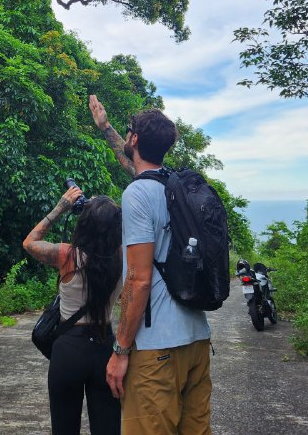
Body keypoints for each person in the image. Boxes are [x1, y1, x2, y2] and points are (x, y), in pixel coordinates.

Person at [89, 95, 212, 435]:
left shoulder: (138, 195)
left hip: (157, 349)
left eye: (129, 133)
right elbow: (135, 167)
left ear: (136, 140)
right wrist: (106, 128)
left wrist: (120, 350)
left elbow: (139, 281)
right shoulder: (178, 187)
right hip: (197, 341)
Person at [23, 186, 123, 435]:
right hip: (105, 346)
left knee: (64, 427)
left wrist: (61, 207)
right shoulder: (124, 257)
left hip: (69, 349)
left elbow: (29, 242)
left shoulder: (67, 255)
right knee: (108, 427)